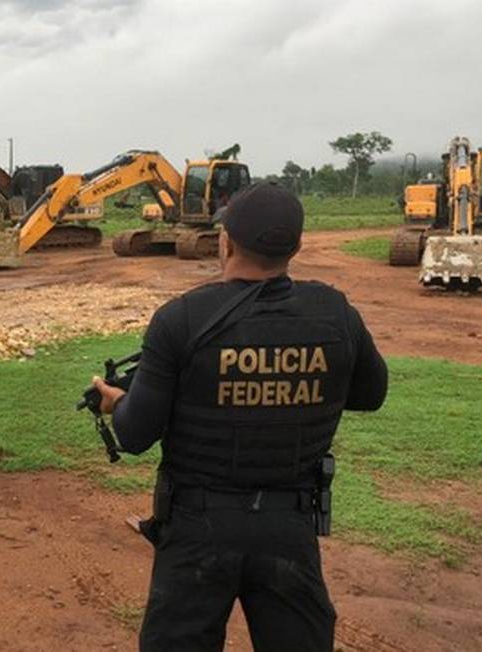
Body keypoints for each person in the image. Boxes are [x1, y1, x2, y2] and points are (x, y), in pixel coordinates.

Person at [92, 183, 388, 652]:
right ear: (296, 246)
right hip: (289, 526)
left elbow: (133, 435)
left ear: (225, 242)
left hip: (195, 529)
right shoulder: (335, 313)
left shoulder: (180, 319)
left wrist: (115, 403)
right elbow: (371, 395)